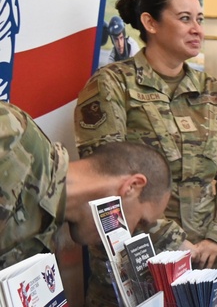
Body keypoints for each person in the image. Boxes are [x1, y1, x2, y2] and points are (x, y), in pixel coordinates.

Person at [75, 0, 217, 307]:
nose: (196, 29)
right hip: (136, 265)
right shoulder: (112, 84)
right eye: (185, 18)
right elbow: (106, 183)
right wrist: (175, 242)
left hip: (205, 261)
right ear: (151, 23)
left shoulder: (211, 91)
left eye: (200, 19)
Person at [0, 101, 171, 269]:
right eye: (140, 222)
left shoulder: (45, 244)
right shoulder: (12, 136)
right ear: (132, 187)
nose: (129, 235)